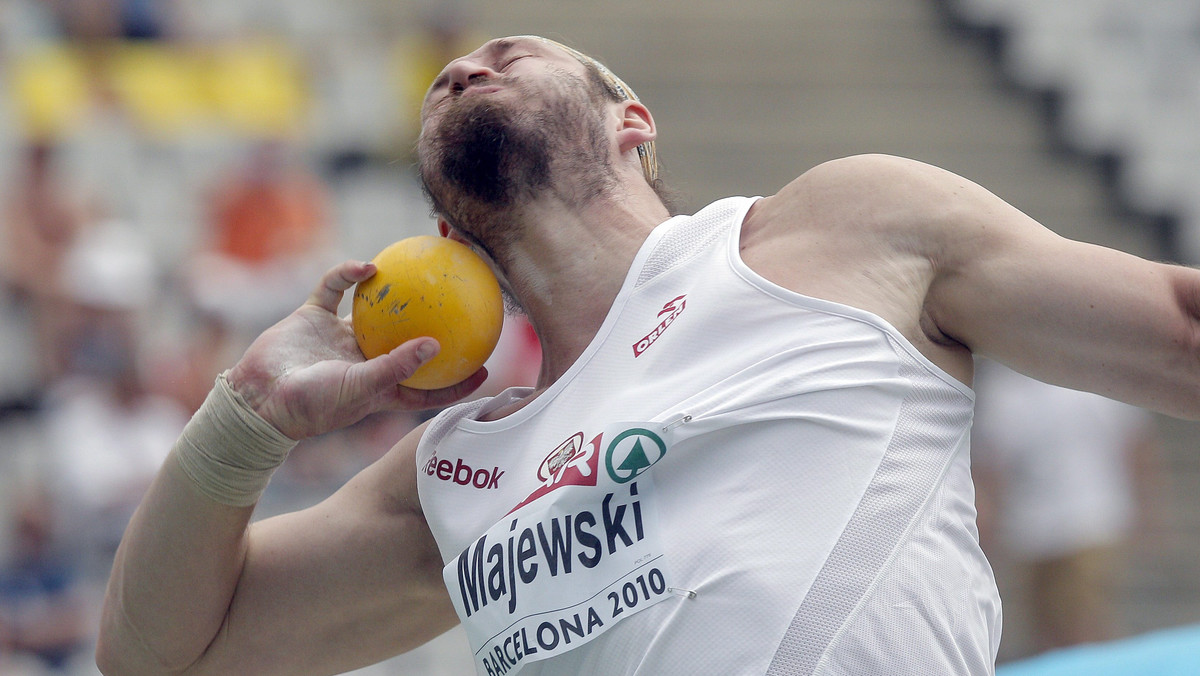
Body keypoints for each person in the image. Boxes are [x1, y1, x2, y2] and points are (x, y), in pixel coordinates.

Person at [95, 35, 1200, 676]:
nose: (469, 62)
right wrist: (246, 417)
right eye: (448, 77)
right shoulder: (455, 470)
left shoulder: (838, 230)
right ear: (440, 230)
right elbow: (154, 656)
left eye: (514, 53)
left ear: (633, 123)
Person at [971, 361, 1162, 657]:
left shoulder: (1095, 376)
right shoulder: (1007, 388)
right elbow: (993, 469)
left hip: (1091, 520)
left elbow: (1135, 446)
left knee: (1083, 620)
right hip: (1033, 529)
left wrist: (1147, 509)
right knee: (1047, 627)